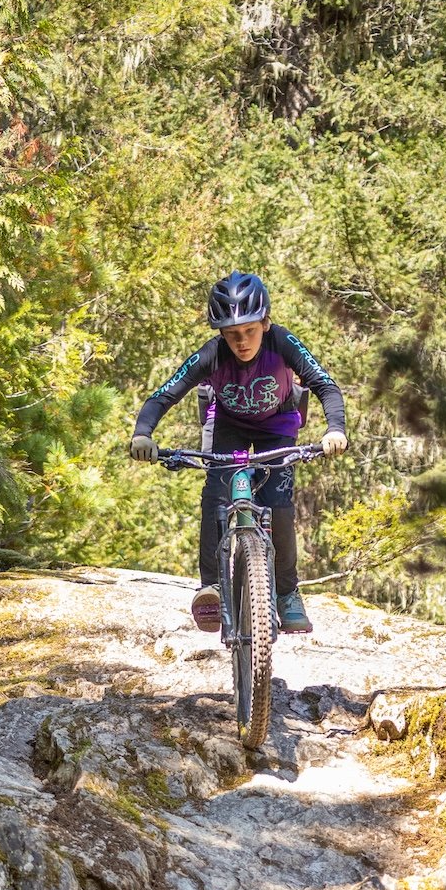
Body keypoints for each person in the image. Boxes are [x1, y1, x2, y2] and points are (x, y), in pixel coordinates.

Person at [130, 271, 347, 634]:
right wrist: (143, 434)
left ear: (265, 322)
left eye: (249, 331)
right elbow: (164, 394)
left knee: (278, 505)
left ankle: (287, 594)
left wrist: (335, 429)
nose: (241, 341)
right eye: (232, 334)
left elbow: (325, 385)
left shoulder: (282, 343)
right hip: (227, 425)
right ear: (220, 334)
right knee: (216, 494)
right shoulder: (212, 355)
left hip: (276, 425)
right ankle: (211, 588)